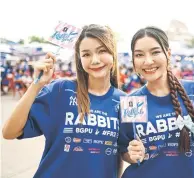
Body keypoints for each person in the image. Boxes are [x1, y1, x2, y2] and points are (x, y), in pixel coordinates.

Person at [2, 24, 125, 178]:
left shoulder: (125, 101)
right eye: (86, 54)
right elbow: (9, 132)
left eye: (102, 51)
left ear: (113, 53)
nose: (94, 60)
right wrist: (36, 85)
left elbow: (124, 154)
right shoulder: (60, 90)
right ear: (79, 59)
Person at [118, 26, 194, 178]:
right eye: (139, 55)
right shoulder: (133, 101)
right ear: (134, 61)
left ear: (168, 54)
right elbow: (125, 152)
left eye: (155, 52)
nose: (148, 61)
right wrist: (133, 154)